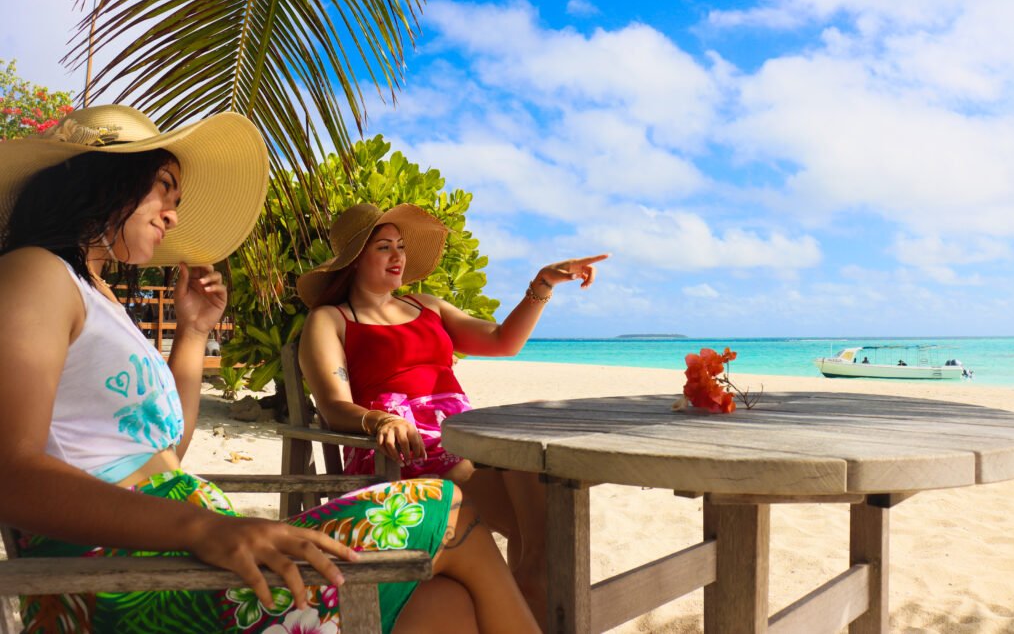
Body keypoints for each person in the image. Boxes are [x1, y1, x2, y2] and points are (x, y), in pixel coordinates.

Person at [0, 106, 538, 634]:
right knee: (448, 509)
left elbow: (167, 451)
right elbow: (11, 473)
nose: (173, 215)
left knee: (447, 607)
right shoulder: (35, 272)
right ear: (106, 179)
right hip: (126, 575)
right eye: (164, 187)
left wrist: (192, 331)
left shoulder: (100, 298)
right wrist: (201, 527)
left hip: (180, 550)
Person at [297, 202, 609, 623]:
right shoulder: (331, 319)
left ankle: (525, 589)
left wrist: (542, 283)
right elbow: (334, 406)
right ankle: (527, 595)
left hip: (468, 436)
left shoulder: (427, 306)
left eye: (401, 247)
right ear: (353, 263)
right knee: (544, 529)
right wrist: (381, 420)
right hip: (403, 448)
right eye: (384, 247)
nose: (398, 257)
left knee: (531, 462)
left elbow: (503, 341)